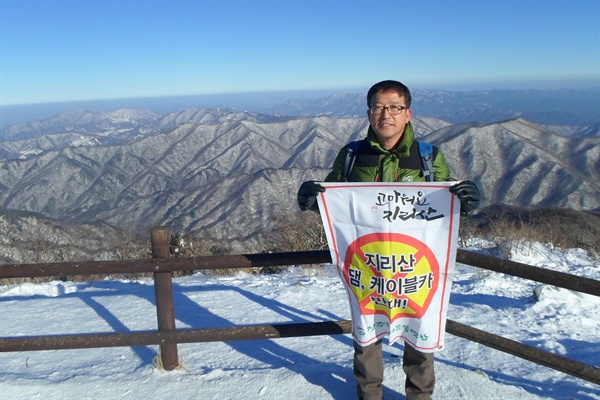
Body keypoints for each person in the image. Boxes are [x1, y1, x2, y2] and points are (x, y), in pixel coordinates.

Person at [297, 80, 480, 400]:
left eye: (394, 107)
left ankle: (419, 396)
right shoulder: (352, 155)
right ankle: (369, 395)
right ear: (369, 114)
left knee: (419, 333)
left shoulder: (427, 157)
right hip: (369, 264)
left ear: (408, 113)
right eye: (378, 107)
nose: (386, 114)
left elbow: (442, 213)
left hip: (414, 266)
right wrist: (313, 201)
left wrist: (465, 203)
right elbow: (334, 206)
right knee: (366, 336)